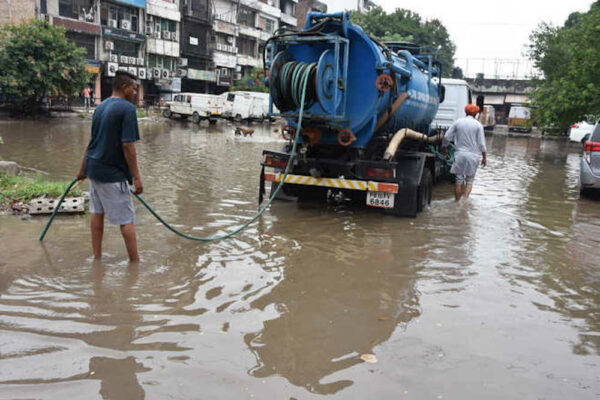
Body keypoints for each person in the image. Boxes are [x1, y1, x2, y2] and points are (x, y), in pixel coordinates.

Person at [76, 71, 143, 262]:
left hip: (94, 170)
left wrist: (83, 169)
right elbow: (128, 146)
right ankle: (135, 264)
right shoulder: (127, 109)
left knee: (97, 213)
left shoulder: (101, 107)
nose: (135, 91)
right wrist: (136, 177)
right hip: (112, 175)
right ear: (124, 87)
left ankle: (97, 257)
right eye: (133, 88)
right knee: (126, 219)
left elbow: (91, 142)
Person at [442, 104, 487, 201]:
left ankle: (457, 202)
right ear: (476, 114)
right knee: (469, 181)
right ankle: (464, 202)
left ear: (465, 112)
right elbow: (482, 144)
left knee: (458, 180)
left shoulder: (458, 122)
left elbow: (446, 137)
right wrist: (484, 157)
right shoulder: (478, 125)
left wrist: (444, 149)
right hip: (473, 156)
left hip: (459, 155)